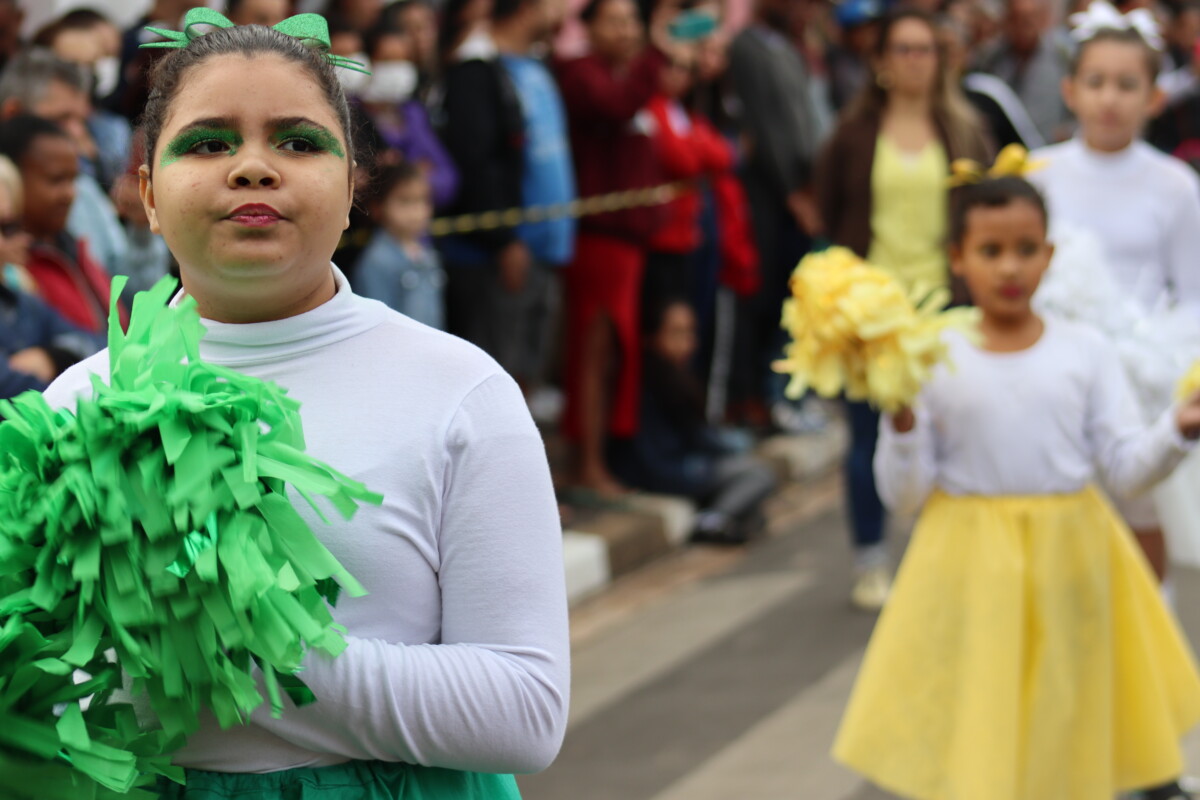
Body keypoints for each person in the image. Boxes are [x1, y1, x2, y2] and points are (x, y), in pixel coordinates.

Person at [41, 12, 569, 798]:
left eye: (297, 141)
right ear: (147, 194)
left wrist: (243, 640)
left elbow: (524, 713)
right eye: (208, 143)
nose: (254, 167)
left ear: (353, 186)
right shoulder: (76, 405)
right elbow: (51, 689)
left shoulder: (462, 391)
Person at [833, 170, 1200, 800]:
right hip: (967, 561)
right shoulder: (933, 352)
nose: (1010, 267)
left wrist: (1176, 430)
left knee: (1068, 704)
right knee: (982, 706)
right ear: (958, 258)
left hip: (1073, 553)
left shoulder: (1085, 350)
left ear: (1049, 255)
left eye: (1026, 249)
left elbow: (1124, 466)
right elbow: (906, 495)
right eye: (991, 250)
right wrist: (902, 425)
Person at [815, 7, 991, 610]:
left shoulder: (964, 130)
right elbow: (828, 209)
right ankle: (870, 558)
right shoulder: (853, 134)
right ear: (881, 61)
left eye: (927, 50)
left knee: (949, 433)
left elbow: (984, 210)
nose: (917, 61)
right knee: (870, 437)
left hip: (946, 309)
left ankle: (939, 556)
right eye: (905, 50)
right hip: (872, 314)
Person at [1029, 2, 1200, 585]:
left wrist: (1160, 359)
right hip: (1055, 373)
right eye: (1096, 81)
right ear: (1070, 90)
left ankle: (1151, 616)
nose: (1110, 99)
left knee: (1141, 511)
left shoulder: (1174, 186)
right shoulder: (1038, 174)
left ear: (1154, 96)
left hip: (1139, 378)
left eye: (1127, 85)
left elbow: (1192, 294)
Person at [556, 0, 670, 495]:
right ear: (589, 27)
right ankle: (586, 465)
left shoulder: (630, 73)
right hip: (598, 238)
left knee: (616, 354)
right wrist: (655, 57)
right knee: (594, 349)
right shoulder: (582, 74)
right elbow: (615, 106)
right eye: (614, 21)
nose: (627, 31)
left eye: (632, 21)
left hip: (630, 240)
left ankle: (601, 461)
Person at [608, 297, 778, 542]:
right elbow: (699, 439)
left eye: (689, 333)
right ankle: (711, 521)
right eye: (676, 333)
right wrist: (735, 444)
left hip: (673, 464)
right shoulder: (655, 378)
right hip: (665, 469)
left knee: (752, 497)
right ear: (652, 336)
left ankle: (718, 517)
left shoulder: (675, 373)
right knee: (758, 474)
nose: (686, 342)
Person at [0, 48, 128, 278]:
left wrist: (141, 230)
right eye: (60, 119)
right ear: (13, 114)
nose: (77, 133)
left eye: (81, 120)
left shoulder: (82, 189)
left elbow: (126, 282)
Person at [0, 115, 118, 335]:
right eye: (56, 180)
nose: (70, 194)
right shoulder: (14, 271)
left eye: (73, 179)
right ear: (14, 177)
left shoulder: (73, 247)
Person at [355, 161, 445, 329]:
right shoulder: (377, 261)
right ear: (378, 207)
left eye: (423, 200)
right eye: (405, 201)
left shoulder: (428, 254)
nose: (416, 211)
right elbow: (376, 325)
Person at [971, 0, 1074, 143]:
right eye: (1016, 18)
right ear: (1007, 20)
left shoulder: (1062, 57)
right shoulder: (989, 58)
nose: (1024, 26)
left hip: (1048, 147)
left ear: (1042, 19)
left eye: (1030, 18)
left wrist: (1068, 130)